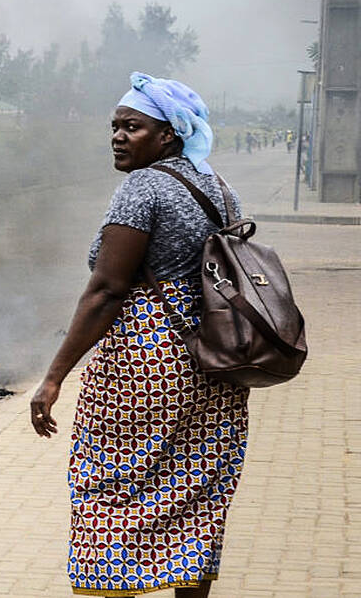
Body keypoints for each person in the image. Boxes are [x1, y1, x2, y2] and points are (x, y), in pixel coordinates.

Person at [30, 72, 249, 598]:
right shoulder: (220, 187)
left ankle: (111, 585)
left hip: (145, 363)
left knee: (109, 485)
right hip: (216, 363)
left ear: (168, 134)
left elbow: (106, 289)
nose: (118, 136)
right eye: (114, 126)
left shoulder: (142, 189)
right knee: (197, 489)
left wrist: (54, 376)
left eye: (133, 126)